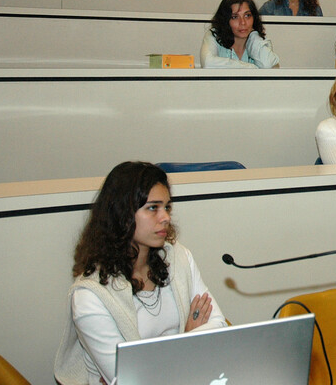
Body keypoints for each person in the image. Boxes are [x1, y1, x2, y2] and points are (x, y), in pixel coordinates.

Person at [54, 161, 227, 385]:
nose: (165, 217)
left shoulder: (179, 257)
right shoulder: (90, 295)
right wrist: (187, 341)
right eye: (153, 208)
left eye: (167, 207)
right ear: (122, 214)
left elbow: (217, 325)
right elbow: (132, 380)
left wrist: (177, 350)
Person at [200, 0, 280, 68]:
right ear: (225, 20)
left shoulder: (261, 42)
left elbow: (268, 65)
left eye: (247, 15)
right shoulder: (214, 36)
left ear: (254, 18)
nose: (243, 22)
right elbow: (208, 63)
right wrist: (250, 67)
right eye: (235, 17)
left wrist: (253, 35)